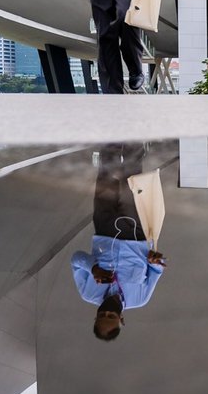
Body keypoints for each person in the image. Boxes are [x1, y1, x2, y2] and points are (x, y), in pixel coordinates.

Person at [71, 145, 166, 341]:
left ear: (95, 316)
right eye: (111, 316)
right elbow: (156, 271)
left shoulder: (88, 293)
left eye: (102, 315)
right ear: (121, 319)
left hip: (104, 229)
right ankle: (134, 139)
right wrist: (155, 260)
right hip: (135, 231)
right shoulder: (140, 299)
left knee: (105, 176)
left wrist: (94, 268)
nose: (107, 311)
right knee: (131, 179)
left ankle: (111, 137)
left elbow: (76, 259)